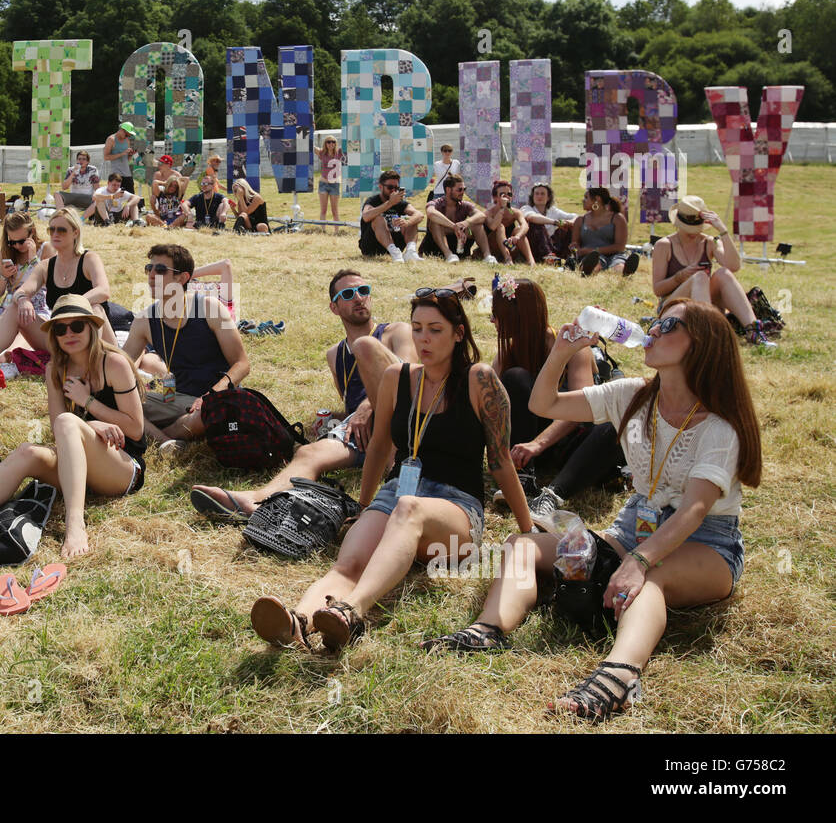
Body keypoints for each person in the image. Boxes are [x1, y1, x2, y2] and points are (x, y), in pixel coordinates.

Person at [424, 299, 760, 724]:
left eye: (668, 324)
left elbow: (694, 509)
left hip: (705, 541)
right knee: (522, 544)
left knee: (650, 581)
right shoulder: (632, 395)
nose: (652, 331)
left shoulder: (719, 427)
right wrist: (563, 352)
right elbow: (544, 404)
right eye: (653, 322)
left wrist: (637, 561)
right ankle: (487, 630)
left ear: (703, 345)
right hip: (634, 525)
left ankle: (618, 679)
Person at [248, 287, 531, 653]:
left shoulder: (479, 380)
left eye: (435, 329)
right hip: (397, 496)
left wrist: (526, 529)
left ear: (459, 333)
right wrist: (365, 507)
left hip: (455, 514)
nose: (423, 339)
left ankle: (351, 613)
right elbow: (380, 446)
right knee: (347, 564)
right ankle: (297, 621)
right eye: (417, 329)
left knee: (408, 509)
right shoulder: (397, 377)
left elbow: (500, 461)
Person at [0, 293, 146, 562]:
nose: (69, 333)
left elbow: (136, 430)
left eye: (77, 325)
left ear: (92, 327)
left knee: (69, 421)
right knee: (27, 452)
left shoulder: (112, 363)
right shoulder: (56, 368)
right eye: (60, 328)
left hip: (123, 467)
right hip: (80, 466)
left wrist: (87, 402)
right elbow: (59, 428)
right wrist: (92, 424)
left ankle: (75, 523)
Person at [191, 269, 416, 521]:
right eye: (349, 294)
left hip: (400, 422)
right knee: (307, 453)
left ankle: (397, 489)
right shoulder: (335, 355)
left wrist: (367, 407)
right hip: (361, 433)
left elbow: (407, 381)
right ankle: (255, 501)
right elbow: (350, 403)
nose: (359, 298)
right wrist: (334, 418)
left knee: (395, 445)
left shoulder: (396, 332)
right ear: (334, 307)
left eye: (364, 291)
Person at [487, 275, 620, 523]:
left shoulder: (571, 347)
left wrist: (537, 444)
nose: (493, 321)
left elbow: (584, 407)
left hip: (571, 441)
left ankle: (552, 495)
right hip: (532, 449)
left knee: (613, 423)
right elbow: (487, 405)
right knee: (514, 378)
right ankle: (523, 478)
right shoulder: (510, 351)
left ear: (518, 318)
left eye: (497, 315)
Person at [120, 243, 249, 443]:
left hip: (216, 399)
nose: (152, 275)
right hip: (174, 398)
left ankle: (156, 434)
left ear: (182, 278)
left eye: (161, 270)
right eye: (149, 268)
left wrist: (211, 394)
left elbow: (242, 364)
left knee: (208, 414)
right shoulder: (144, 320)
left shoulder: (210, 308)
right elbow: (121, 365)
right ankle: (166, 441)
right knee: (114, 400)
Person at [651, 195, 773, 347]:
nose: (693, 233)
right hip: (672, 306)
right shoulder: (664, 245)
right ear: (678, 223)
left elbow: (734, 266)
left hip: (704, 303)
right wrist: (680, 276)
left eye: (697, 228)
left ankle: (753, 330)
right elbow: (658, 289)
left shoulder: (709, 242)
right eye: (689, 228)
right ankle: (708, 334)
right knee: (700, 277)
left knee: (724, 274)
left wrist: (723, 231)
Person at [13, 206, 117, 348]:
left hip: (93, 337)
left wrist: (73, 305)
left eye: (61, 230)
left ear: (75, 232)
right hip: (61, 337)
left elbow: (103, 291)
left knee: (96, 308)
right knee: (15, 308)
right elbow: (21, 291)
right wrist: (23, 299)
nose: (55, 234)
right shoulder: (45, 266)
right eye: (52, 230)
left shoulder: (89, 259)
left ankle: (91, 363)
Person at [0, 211, 57, 360]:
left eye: (21, 241)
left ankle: (9, 356)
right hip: (10, 303)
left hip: (36, 303)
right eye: (12, 241)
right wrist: (3, 276)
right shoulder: (6, 253)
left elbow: (53, 285)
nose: (17, 246)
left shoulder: (46, 249)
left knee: (24, 331)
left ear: (32, 233)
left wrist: (33, 260)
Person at [421, 175, 495, 264]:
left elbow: (482, 216)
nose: (463, 192)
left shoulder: (465, 205)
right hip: (436, 246)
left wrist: (466, 223)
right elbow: (431, 213)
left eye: (464, 189)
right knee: (435, 223)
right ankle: (448, 255)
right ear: (448, 190)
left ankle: (487, 256)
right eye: (459, 189)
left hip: (459, 244)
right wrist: (454, 226)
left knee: (477, 225)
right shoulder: (436, 203)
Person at [573, 187, 639, 276]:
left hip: (614, 255)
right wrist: (575, 248)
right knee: (594, 263)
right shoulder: (580, 220)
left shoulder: (617, 218)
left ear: (597, 199)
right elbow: (575, 243)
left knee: (618, 264)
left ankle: (625, 271)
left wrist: (592, 250)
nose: (583, 200)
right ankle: (588, 271)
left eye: (586, 197)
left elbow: (619, 247)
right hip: (590, 257)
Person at [358, 169, 421, 262]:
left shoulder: (400, 203)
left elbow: (419, 214)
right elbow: (366, 216)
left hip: (397, 244)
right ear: (380, 186)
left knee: (412, 220)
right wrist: (389, 203)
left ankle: (410, 252)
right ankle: (394, 252)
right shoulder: (372, 201)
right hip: (372, 246)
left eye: (396, 188)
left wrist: (408, 221)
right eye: (390, 187)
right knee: (378, 218)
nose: (393, 191)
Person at [481, 180, 534, 265]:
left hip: (510, 246)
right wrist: (502, 208)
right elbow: (492, 226)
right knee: (500, 226)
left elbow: (525, 226)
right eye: (502, 195)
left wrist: (517, 236)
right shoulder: (489, 213)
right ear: (495, 197)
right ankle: (507, 259)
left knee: (519, 230)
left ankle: (531, 261)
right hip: (493, 247)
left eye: (509, 194)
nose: (506, 197)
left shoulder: (514, 212)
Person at [523, 182, 575, 263]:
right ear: (532, 197)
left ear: (548, 198)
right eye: (536, 194)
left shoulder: (552, 210)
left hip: (551, 244)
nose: (539, 196)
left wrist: (568, 222)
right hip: (535, 247)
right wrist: (555, 222)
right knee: (537, 224)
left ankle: (569, 257)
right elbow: (532, 217)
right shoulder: (526, 208)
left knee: (570, 227)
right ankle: (549, 258)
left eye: (542, 194)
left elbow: (576, 217)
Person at [102, 122, 137, 195]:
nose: (128, 136)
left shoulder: (127, 140)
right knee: (115, 198)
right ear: (122, 130)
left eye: (129, 135)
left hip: (127, 174)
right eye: (127, 134)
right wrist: (122, 153)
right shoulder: (111, 139)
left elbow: (127, 159)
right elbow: (106, 157)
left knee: (131, 197)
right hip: (116, 174)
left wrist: (130, 155)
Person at [316, 136, 345, 222]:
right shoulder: (322, 153)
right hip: (323, 184)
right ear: (325, 144)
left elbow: (349, 143)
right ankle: (323, 231)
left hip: (335, 184)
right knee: (323, 210)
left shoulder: (339, 152)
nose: (331, 144)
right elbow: (310, 145)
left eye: (333, 142)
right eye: (328, 142)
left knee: (335, 211)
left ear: (335, 143)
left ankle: (336, 232)